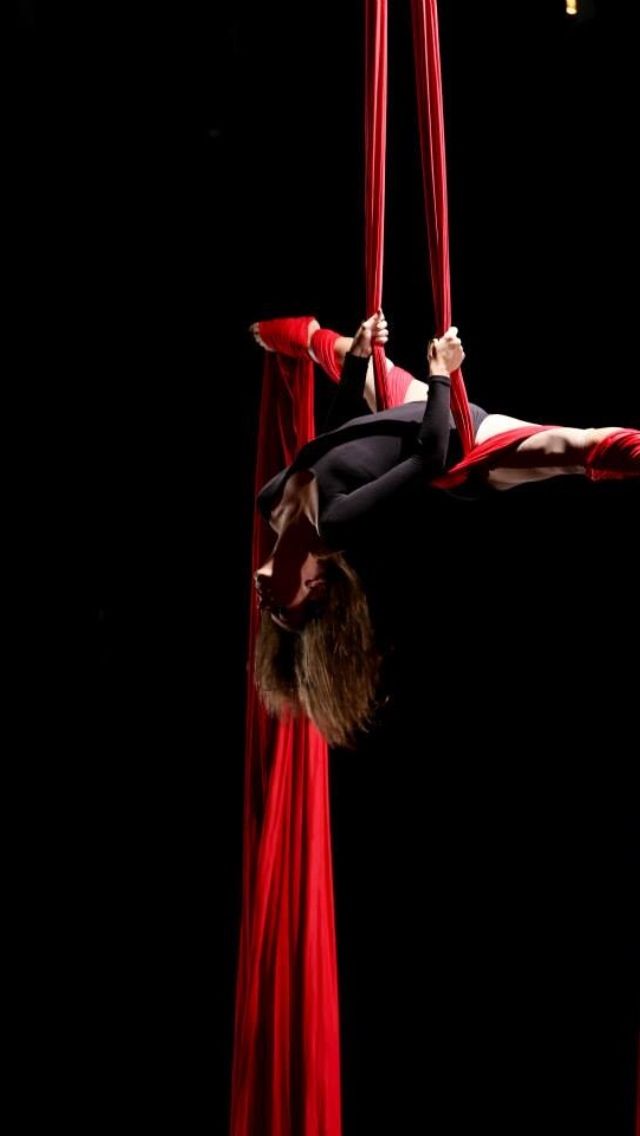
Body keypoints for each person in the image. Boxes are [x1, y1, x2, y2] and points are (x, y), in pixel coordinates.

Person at [251, 311, 638, 747]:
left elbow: (334, 438)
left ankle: (292, 332)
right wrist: (442, 375)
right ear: (315, 585)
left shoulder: (270, 501)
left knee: (343, 351)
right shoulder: (335, 526)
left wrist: (359, 359)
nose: (267, 606)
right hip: (458, 444)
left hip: (406, 410)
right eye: (285, 611)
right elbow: (426, 461)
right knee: (580, 446)